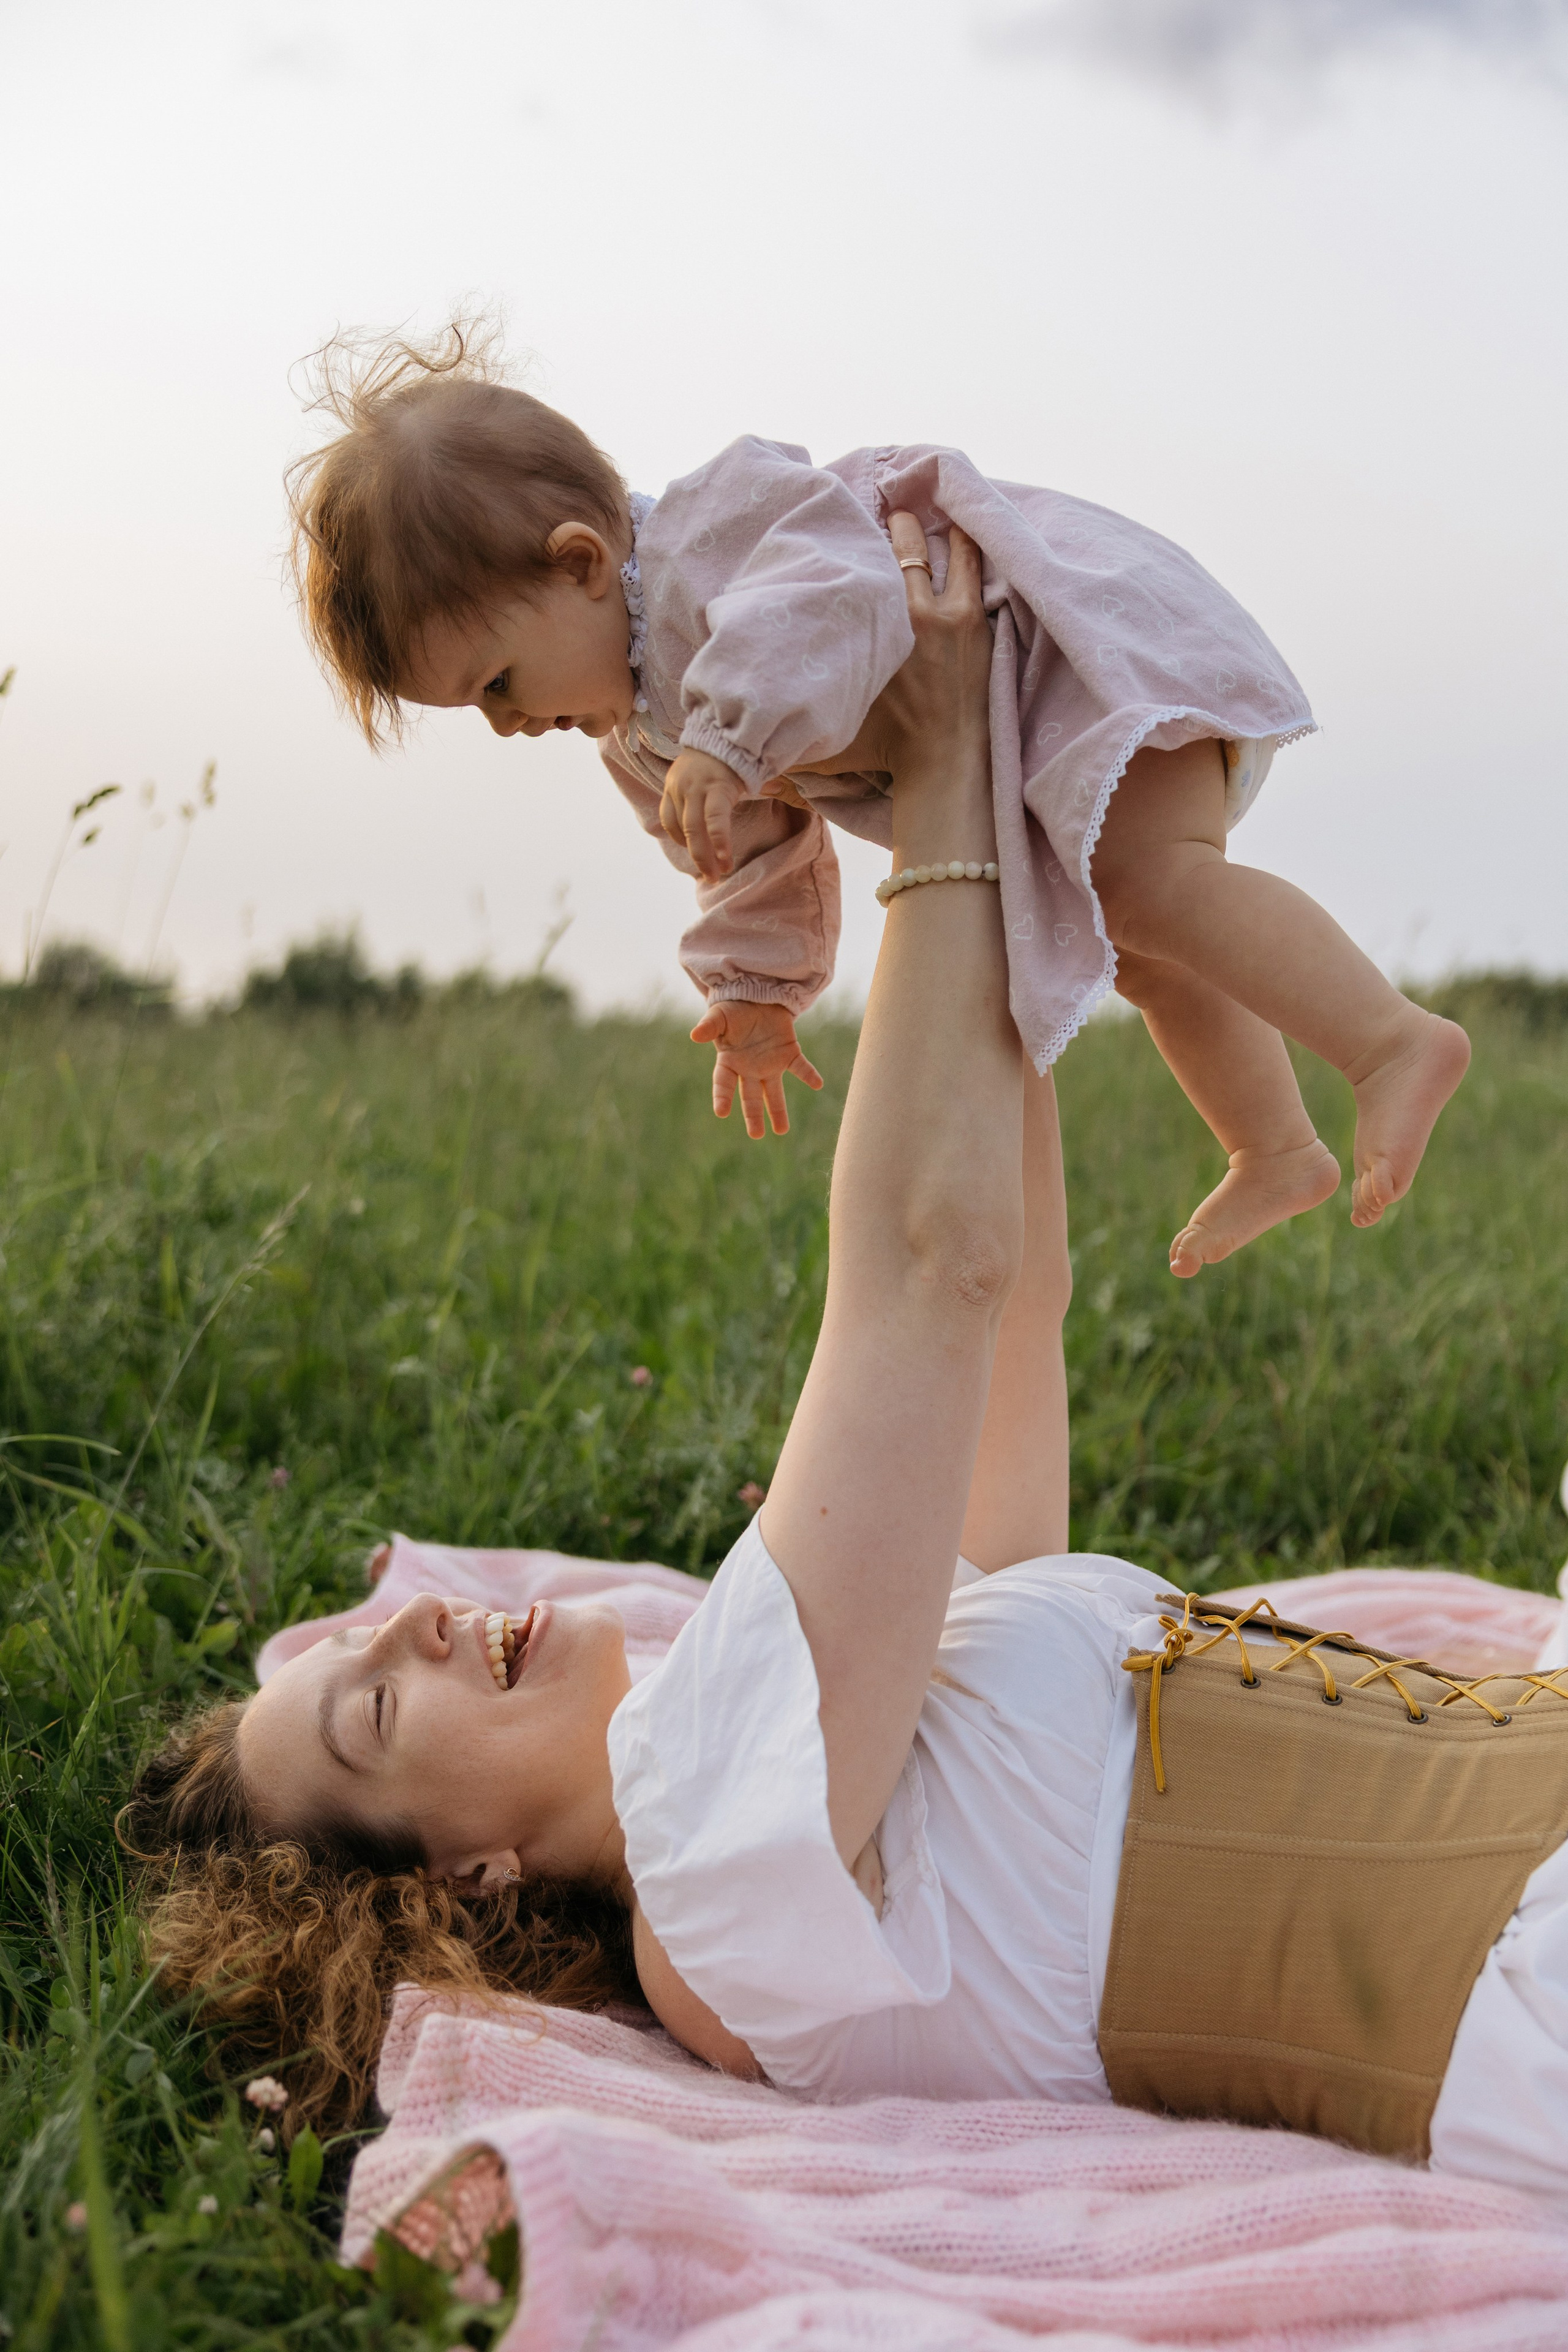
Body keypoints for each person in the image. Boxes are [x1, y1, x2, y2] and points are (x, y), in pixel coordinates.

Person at [128, 524, 1568, 2199]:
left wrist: (976, 780)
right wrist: (947, 775)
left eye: (383, 1636)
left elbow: (1001, 1299)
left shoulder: (839, 1717)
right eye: (380, 1703)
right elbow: (923, 1272)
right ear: (474, 1883)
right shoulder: (713, 1874)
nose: (431, 1621)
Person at [285, 321, 1469, 1276]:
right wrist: (752, 991)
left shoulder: (715, 536)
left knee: (1155, 887)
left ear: (581, 563)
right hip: (1018, 733)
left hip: (1066, 655)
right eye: (477, 714)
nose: (510, 724)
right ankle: (1274, 1147)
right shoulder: (645, 738)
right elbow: (750, 861)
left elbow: (836, 591)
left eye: (497, 682)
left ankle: (1393, 1044)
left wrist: (732, 735)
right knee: (1144, 940)